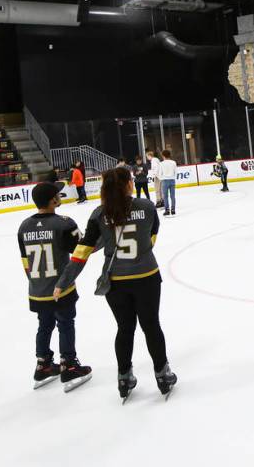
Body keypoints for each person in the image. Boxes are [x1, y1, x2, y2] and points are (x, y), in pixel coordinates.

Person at [53, 168, 175, 402]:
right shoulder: (147, 207)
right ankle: (162, 374)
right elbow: (151, 238)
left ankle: (123, 377)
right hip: (146, 276)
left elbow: (81, 252)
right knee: (151, 326)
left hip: (116, 282)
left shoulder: (99, 214)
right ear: (130, 183)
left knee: (124, 328)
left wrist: (63, 281)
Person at [16, 182, 92, 391]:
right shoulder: (64, 224)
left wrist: (37, 284)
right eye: (57, 194)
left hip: (37, 290)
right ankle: (69, 365)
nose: (60, 195)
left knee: (45, 324)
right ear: (53, 200)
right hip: (61, 287)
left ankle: (43, 364)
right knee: (65, 323)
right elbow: (82, 250)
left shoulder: (24, 226)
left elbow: (26, 263)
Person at [157, 150, 177, 216]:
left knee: (165, 197)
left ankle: (167, 210)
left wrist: (161, 178)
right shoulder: (173, 162)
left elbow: (160, 173)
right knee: (172, 196)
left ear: (163, 156)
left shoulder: (161, 163)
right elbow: (176, 172)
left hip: (164, 181)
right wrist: (173, 178)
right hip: (172, 180)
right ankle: (173, 209)